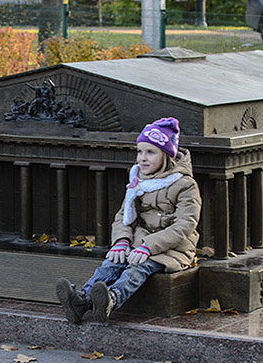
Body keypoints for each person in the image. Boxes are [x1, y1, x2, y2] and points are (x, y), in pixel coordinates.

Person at [55, 117, 201, 322]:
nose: (142, 158)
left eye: (150, 152)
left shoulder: (185, 185)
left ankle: (111, 300)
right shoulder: (138, 181)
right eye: (139, 151)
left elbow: (184, 226)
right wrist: (122, 241)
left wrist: (148, 246)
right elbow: (124, 216)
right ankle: (82, 301)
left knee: (138, 269)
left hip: (171, 249)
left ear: (167, 155)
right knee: (111, 264)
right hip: (138, 243)